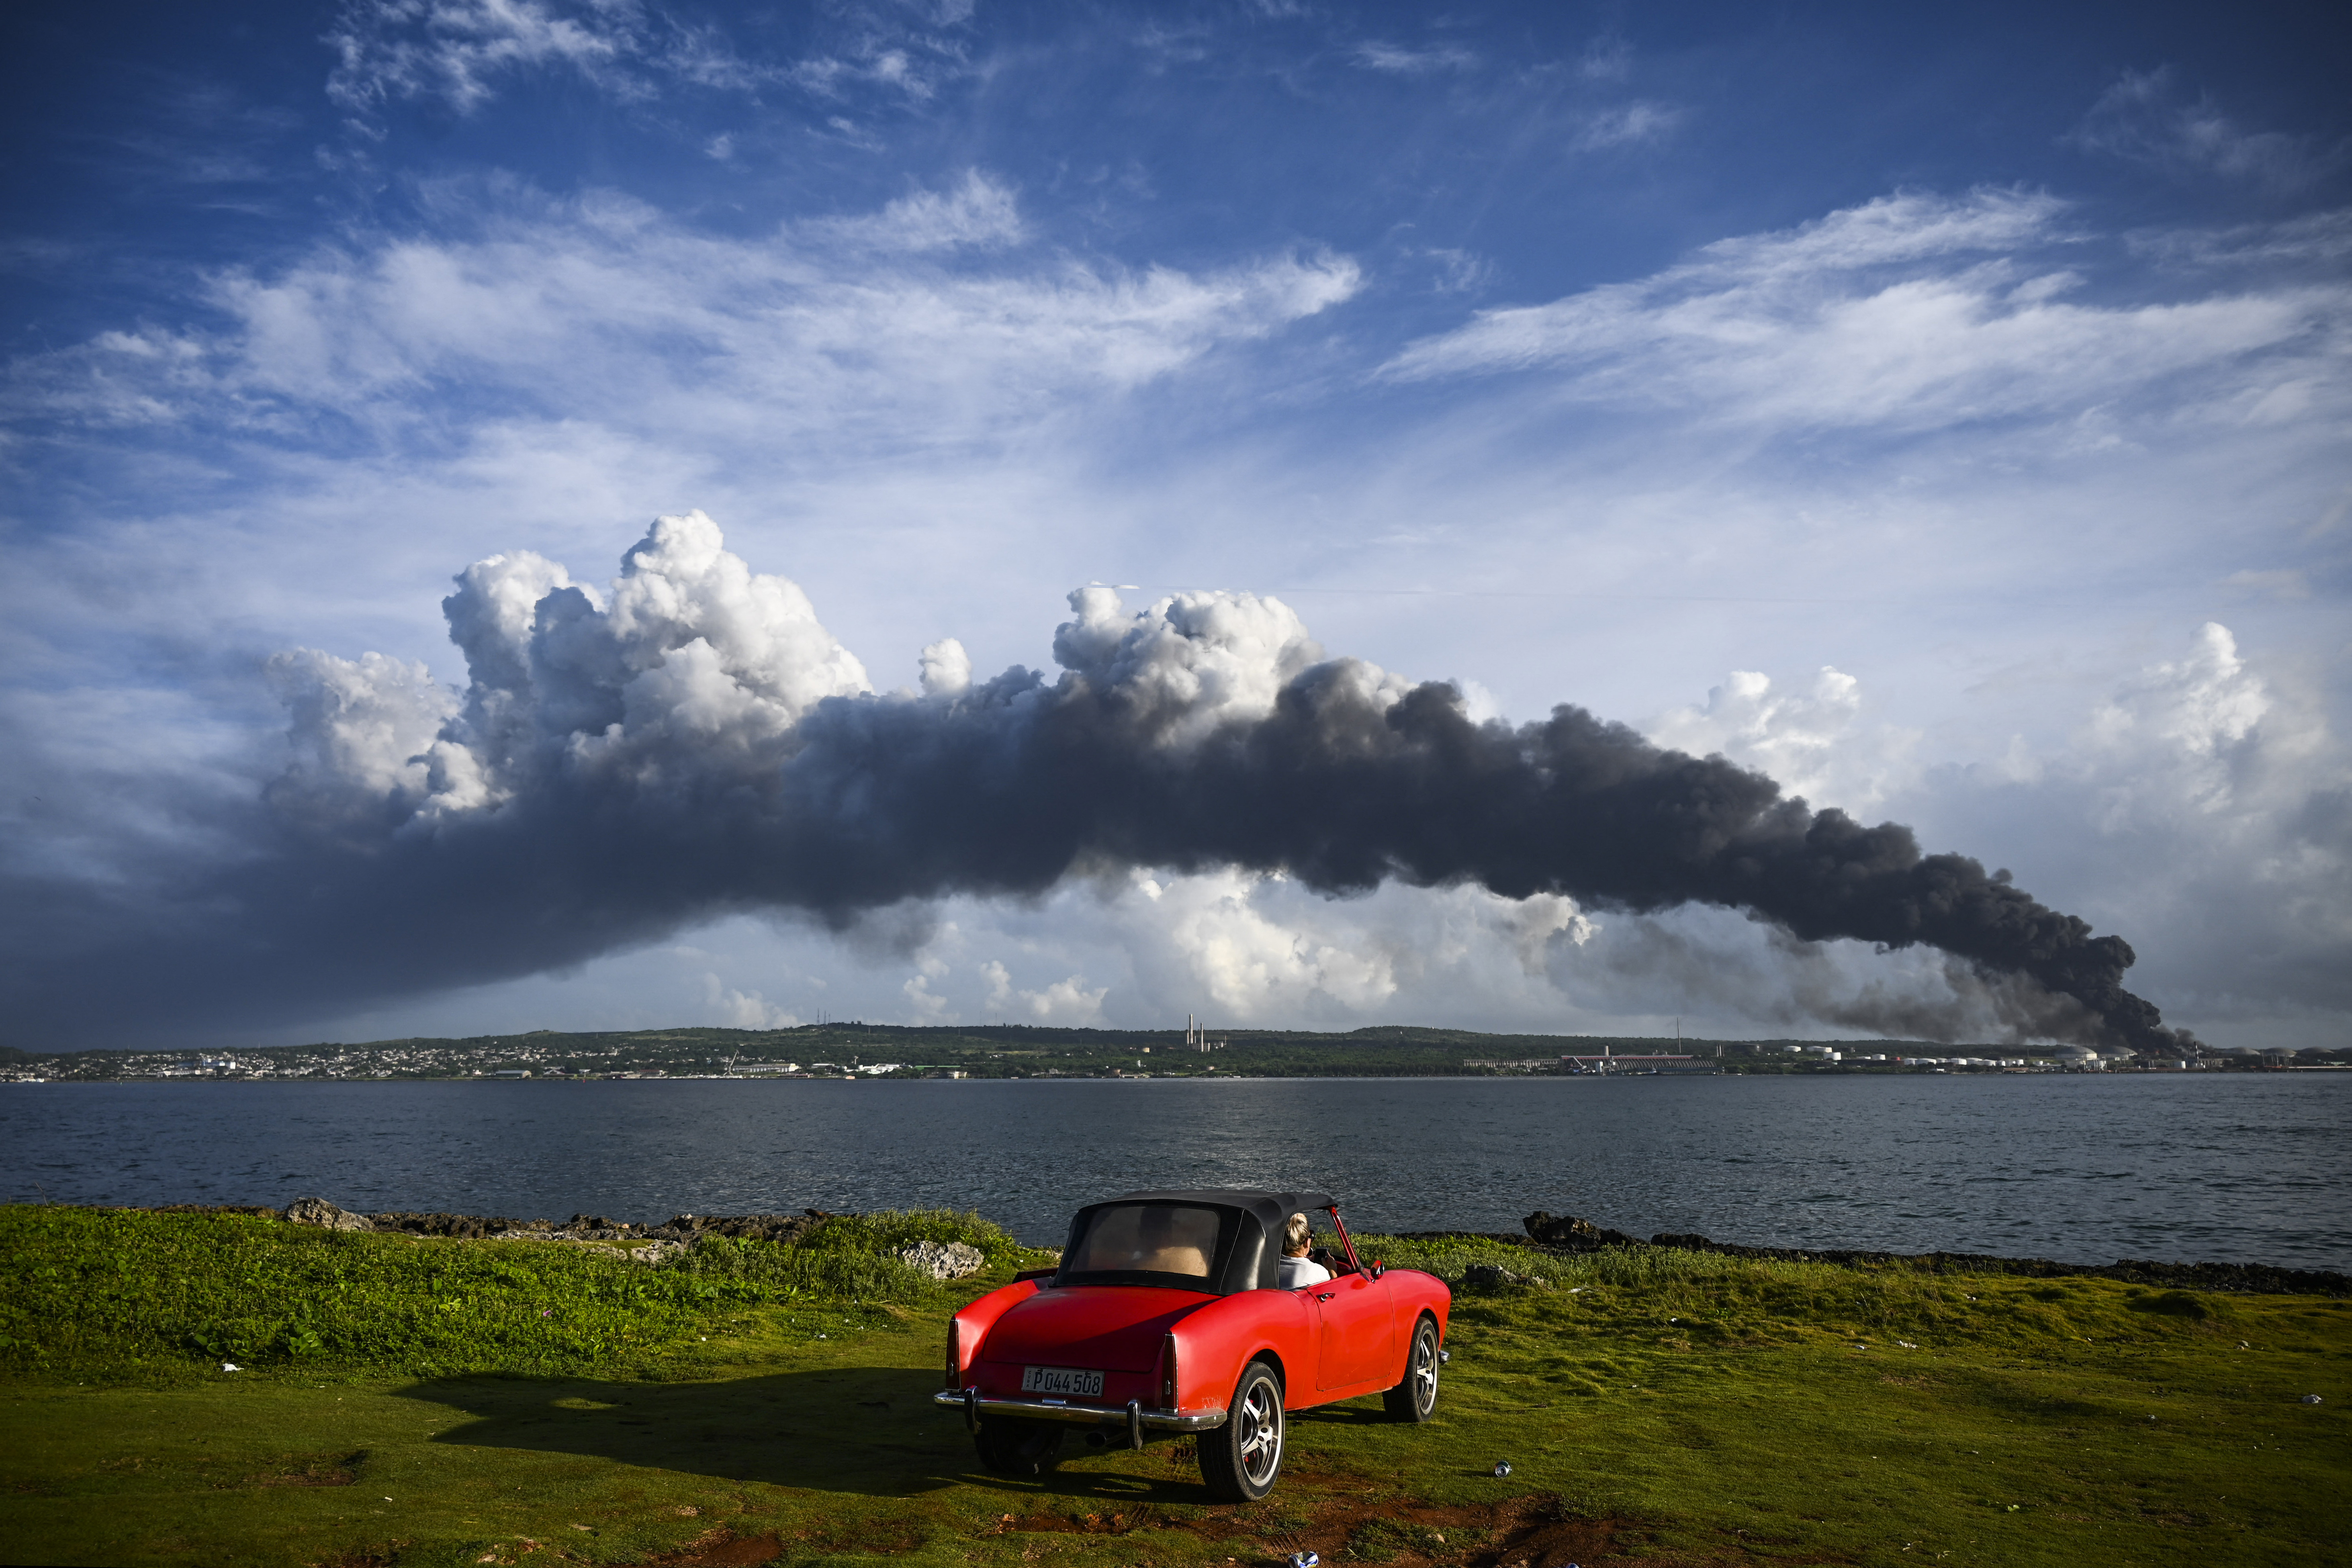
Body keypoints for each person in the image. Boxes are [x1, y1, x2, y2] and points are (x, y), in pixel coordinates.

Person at [1277, 1211, 1332, 1288]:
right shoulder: (1316, 1272)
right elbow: (1333, 1292)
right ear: (1306, 1242)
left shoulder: (1271, 1266)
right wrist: (1332, 1271)